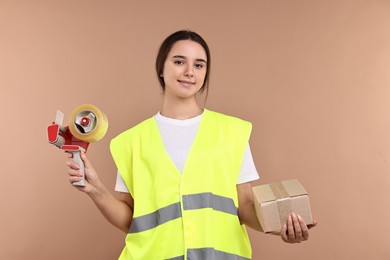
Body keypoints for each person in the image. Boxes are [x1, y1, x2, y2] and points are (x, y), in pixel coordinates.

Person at [66, 30, 317, 260]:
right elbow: (130, 219)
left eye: (199, 65)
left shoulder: (232, 132)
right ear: (161, 69)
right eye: (179, 61)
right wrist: (95, 189)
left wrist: (280, 227)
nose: (189, 71)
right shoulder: (132, 141)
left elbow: (246, 206)